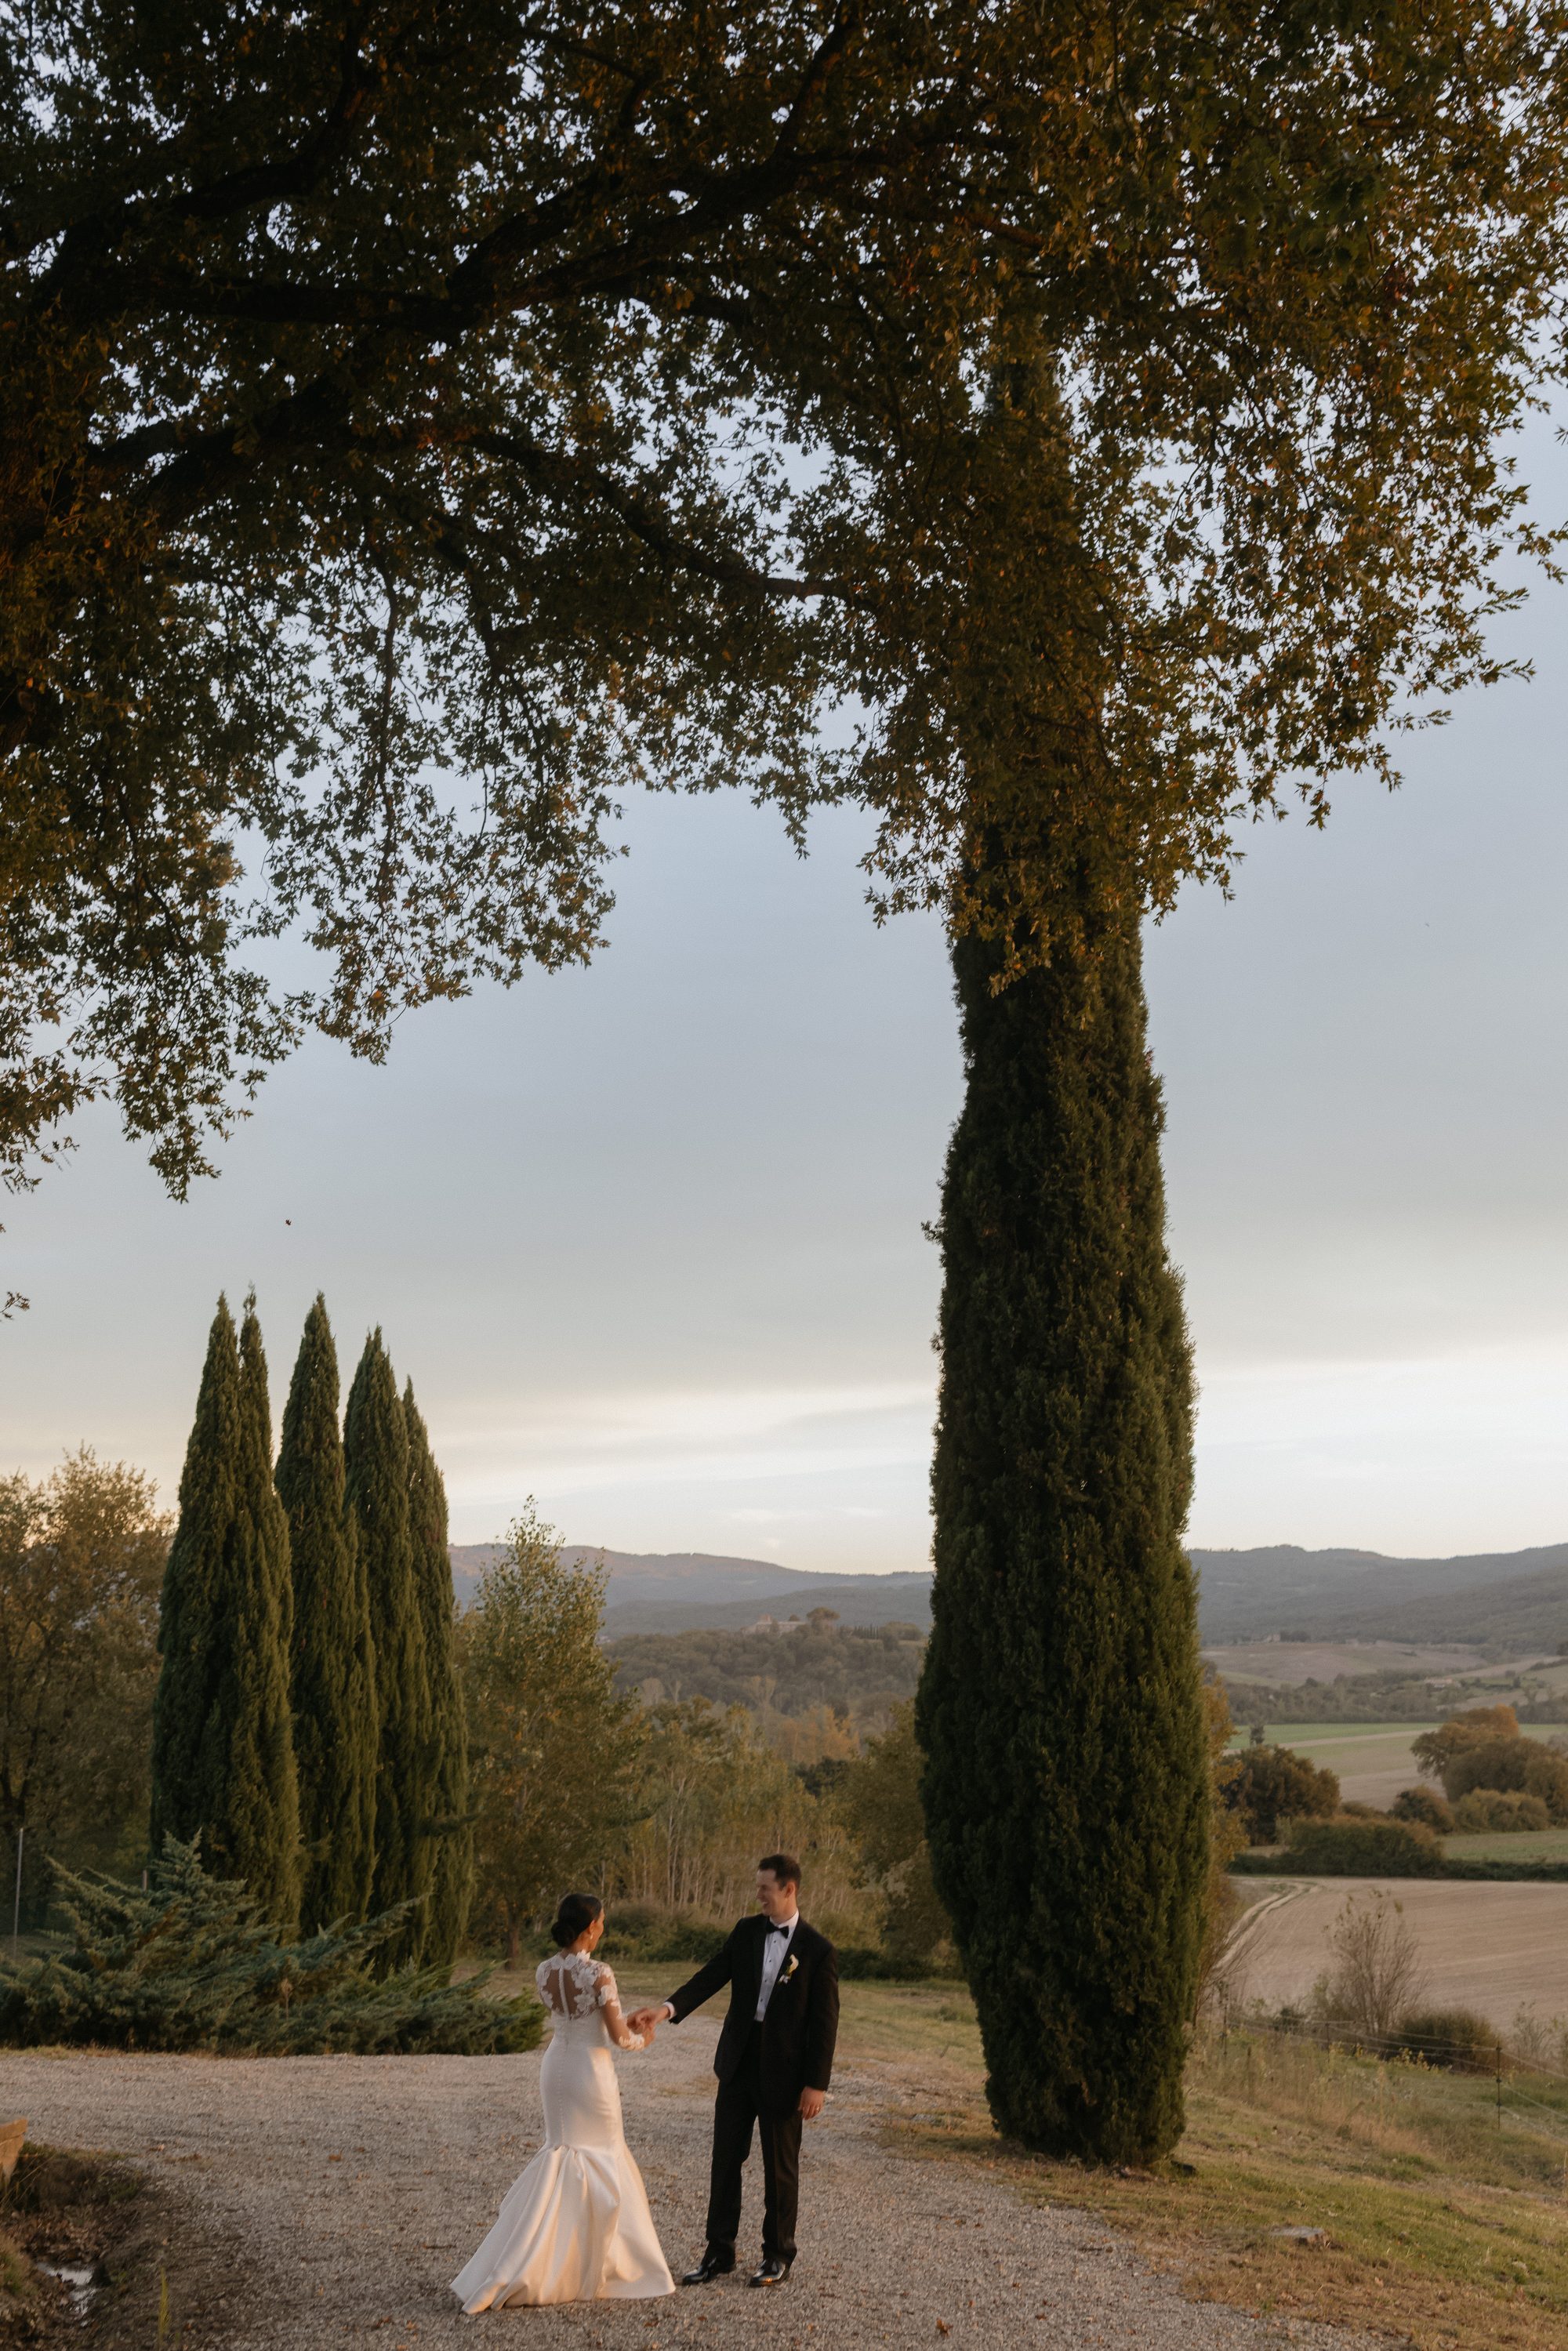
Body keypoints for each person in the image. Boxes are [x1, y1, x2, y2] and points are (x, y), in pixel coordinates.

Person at [452, 1894, 674, 2310]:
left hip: (556, 2067)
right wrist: (644, 2037)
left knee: (562, 2152)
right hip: (591, 2073)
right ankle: (595, 2262)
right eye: (602, 1922)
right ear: (590, 1927)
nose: (604, 1928)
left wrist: (616, 2023)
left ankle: (542, 2258)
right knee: (601, 2157)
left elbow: (576, 2019)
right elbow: (618, 2038)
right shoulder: (599, 1971)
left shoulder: (543, 1970)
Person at [627, 1852, 839, 2289]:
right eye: (758, 1886)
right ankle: (718, 2253)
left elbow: (825, 2024)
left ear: (789, 1889)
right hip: (738, 2064)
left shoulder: (818, 1951)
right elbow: (711, 1976)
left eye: (765, 1887)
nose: (758, 1894)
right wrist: (664, 2010)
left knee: (779, 2168)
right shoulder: (745, 1932)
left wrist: (816, 2085)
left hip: (785, 2073)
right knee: (725, 2161)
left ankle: (778, 2254)